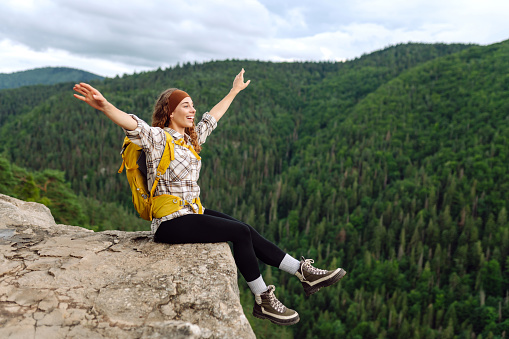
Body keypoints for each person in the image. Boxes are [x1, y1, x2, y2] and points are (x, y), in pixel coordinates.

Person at [73, 69, 346, 326]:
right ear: (170, 112)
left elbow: (212, 117)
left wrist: (234, 91)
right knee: (238, 232)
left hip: (192, 212)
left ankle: (302, 272)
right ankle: (263, 299)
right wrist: (106, 106)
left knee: (246, 230)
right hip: (169, 222)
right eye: (186, 106)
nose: (192, 110)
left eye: (192, 105)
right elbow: (133, 124)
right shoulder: (157, 139)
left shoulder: (190, 139)